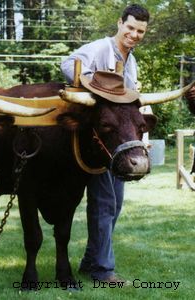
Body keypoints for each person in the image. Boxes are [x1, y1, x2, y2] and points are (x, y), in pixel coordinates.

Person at [61, 4, 150, 283]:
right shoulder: (100, 48)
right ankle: (102, 269)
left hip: (119, 143)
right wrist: (92, 86)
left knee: (116, 203)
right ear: (120, 23)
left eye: (140, 31)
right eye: (131, 28)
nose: (134, 35)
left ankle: (91, 260)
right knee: (104, 202)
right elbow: (68, 64)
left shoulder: (131, 60)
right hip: (98, 142)